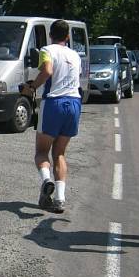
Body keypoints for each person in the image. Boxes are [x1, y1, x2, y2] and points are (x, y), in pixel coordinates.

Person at [20, 19, 82, 213]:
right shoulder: (75, 55)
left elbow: (47, 71)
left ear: (50, 35)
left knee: (41, 151)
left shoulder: (47, 50)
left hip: (54, 103)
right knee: (60, 153)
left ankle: (47, 180)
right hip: (74, 102)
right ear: (68, 36)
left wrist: (31, 88)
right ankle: (60, 198)